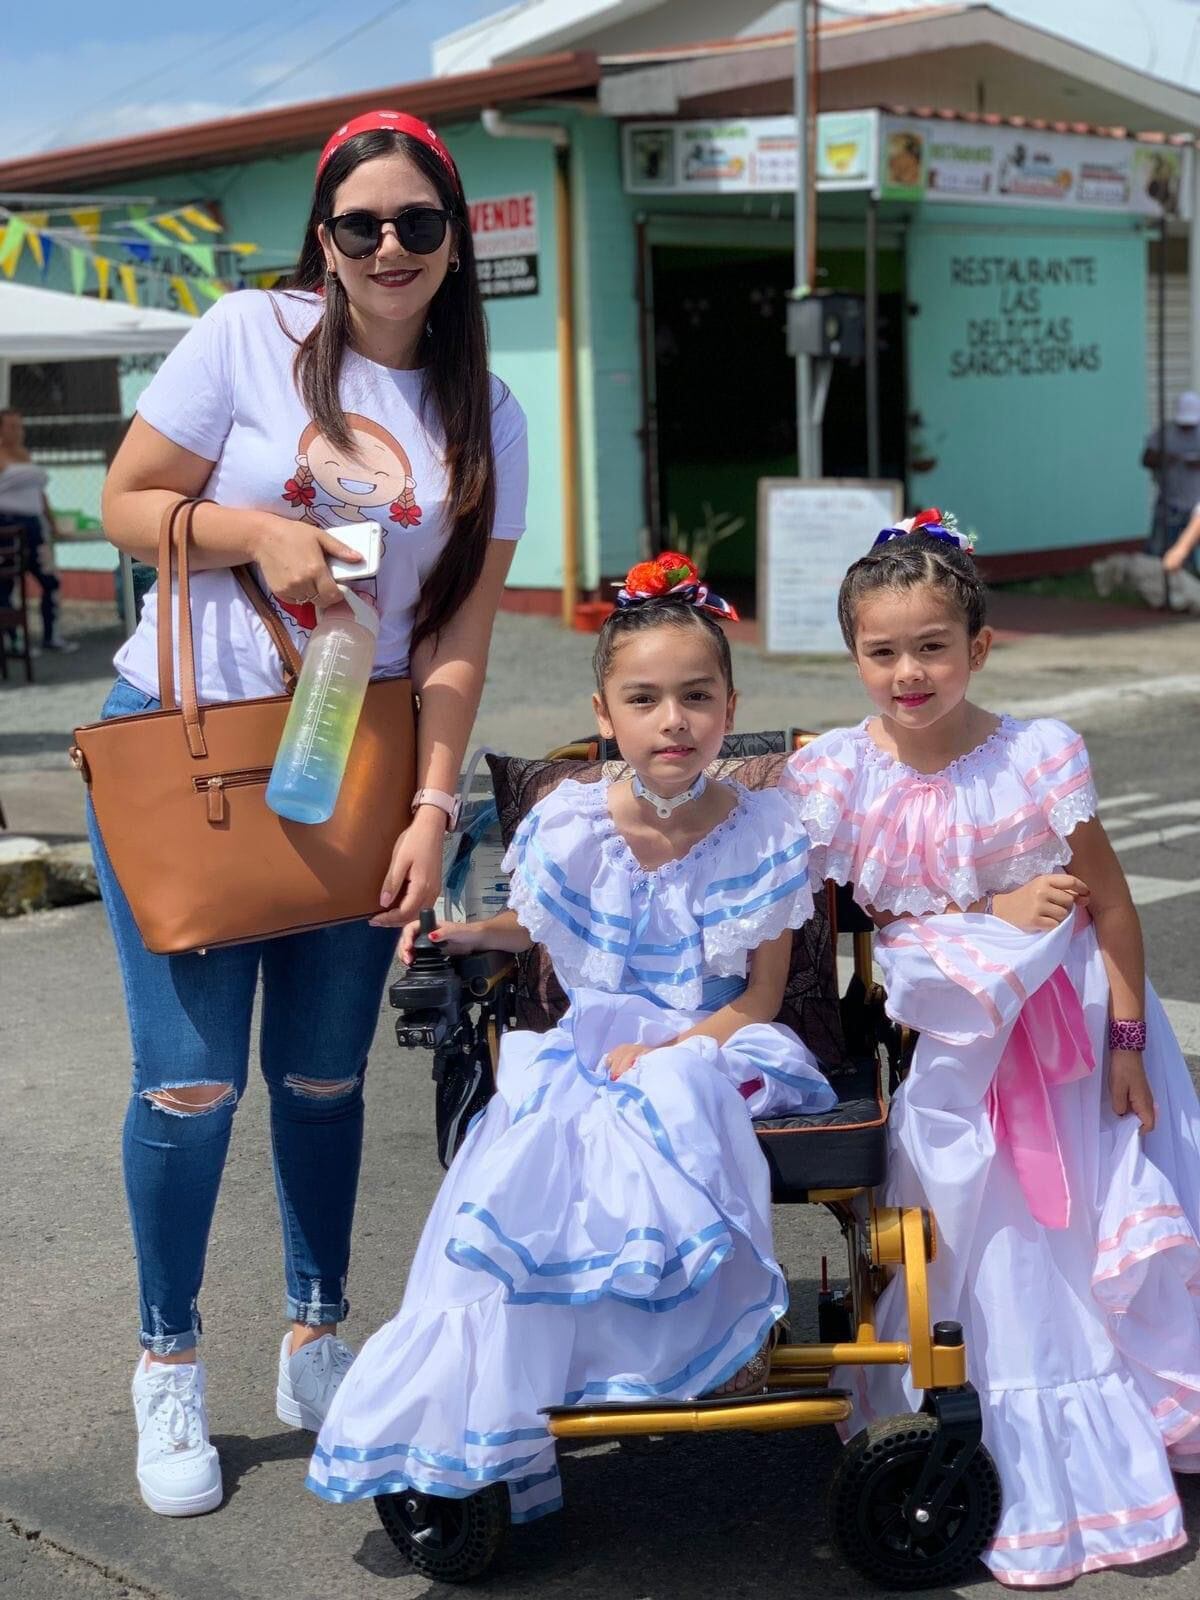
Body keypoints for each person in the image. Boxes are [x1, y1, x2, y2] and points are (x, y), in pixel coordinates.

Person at [94, 109, 529, 1518]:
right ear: (324, 242)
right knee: (192, 1078)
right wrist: (260, 533)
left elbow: (456, 634)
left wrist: (433, 805)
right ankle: (169, 1362)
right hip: (188, 750)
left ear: (455, 240)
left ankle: (316, 1339)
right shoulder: (246, 336)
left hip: (357, 763)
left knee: (328, 1079)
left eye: (417, 223)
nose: (390, 247)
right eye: (361, 226)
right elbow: (126, 498)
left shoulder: (489, 415)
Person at [306, 554, 837, 1520]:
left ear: (729, 704)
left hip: (720, 1044)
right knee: (530, 1132)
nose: (672, 720)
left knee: (661, 1095)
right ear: (606, 714)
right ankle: (491, 1398)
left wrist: (680, 1049)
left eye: (696, 696)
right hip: (594, 1044)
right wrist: (470, 931)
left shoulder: (765, 828)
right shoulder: (573, 821)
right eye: (645, 698)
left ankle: (681, 1345)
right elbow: (541, 926)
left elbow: (760, 999)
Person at [782, 510, 1200, 1586]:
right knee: (964, 1232)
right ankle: (965, 1410)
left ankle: (1097, 1429)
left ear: (980, 647)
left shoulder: (1035, 758)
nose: (908, 672)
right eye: (882, 651)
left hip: (1071, 1040)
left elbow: (1109, 908)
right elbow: (763, 880)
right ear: (854, 656)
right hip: (961, 1045)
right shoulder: (837, 774)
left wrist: (1124, 1043)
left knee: (1064, 1249)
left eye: (932, 646)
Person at [0, 406, 75, 651]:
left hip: (33, 528)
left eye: (20, 426)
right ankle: (12, 642)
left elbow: (39, 495)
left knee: (50, 580)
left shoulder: (24, 454)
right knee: (7, 585)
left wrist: (52, 524)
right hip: (7, 528)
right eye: (12, 427)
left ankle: (51, 636)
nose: (18, 432)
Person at [1142, 389, 1200, 558]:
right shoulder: (1166, 433)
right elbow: (1146, 459)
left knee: (1188, 551)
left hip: (1196, 505)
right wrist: (1166, 458)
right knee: (1159, 549)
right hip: (1170, 503)